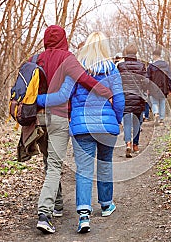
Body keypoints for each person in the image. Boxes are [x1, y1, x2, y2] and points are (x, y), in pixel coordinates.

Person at [38, 31, 124, 233]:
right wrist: (116, 120)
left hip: (81, 127)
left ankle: (84, 216)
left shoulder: (76, 70)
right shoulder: (112, 70)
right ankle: (105, 205)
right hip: (106, 127)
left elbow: (61, 96)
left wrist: (36, 100)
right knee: (104, 164)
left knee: (83, 170)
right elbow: (119, 100)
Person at [117, 44, 148, 157]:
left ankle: (128, 144)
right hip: (137, 98)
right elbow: (145, 82)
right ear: (135, 53)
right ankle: (136, 145)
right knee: (137, 122)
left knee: (127, 122)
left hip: (124, 97)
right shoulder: (141, 66)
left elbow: (117, 82)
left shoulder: (120, 66)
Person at [147, 48, 171, 125]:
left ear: (154, 56)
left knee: (154, 102)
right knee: (162, 102)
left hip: (153, 87)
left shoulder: (151, 66)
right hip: (164, 88)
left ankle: (156, 113)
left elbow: (148, 78)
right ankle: (161, 119)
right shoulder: (166, 65)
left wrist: (147, 88)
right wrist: (170, 88)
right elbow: (169, 77)